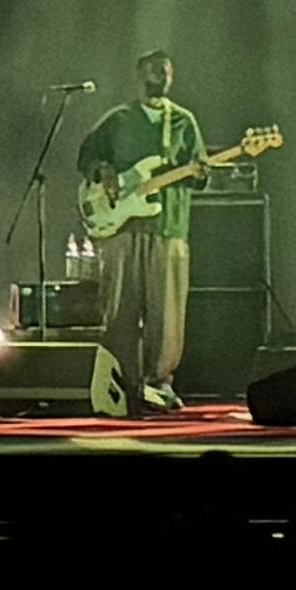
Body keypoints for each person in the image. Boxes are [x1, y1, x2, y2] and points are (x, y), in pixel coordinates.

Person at [75, 51, 206, 415]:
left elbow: (198, 171)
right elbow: (86, 157)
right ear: (140, 75)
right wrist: (103, 171)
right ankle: (121, 382)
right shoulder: (117, 120)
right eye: (155, 70)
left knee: (167, 312)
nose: (162, 76)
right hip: (122, 227)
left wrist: (200, 174)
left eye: (167, 71)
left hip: (169, 226)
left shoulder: (183, 122)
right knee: (120, 307)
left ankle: (159, 383)